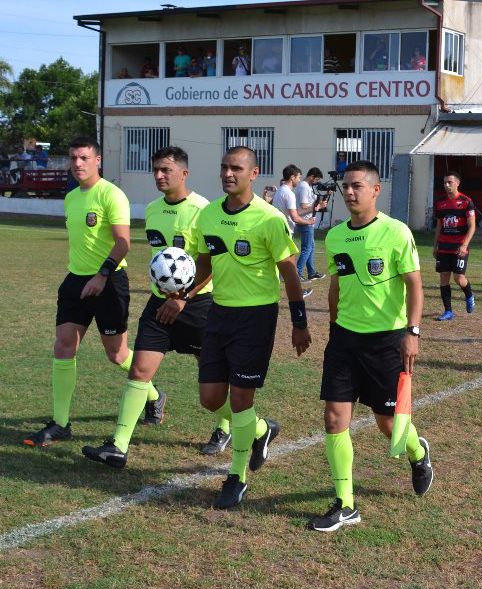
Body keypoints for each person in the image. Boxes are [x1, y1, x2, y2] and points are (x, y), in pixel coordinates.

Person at [81, 146, 228, 466]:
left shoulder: (204, 210)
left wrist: (183, 299)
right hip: (159, 303)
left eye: (167, 170)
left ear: (184, 174)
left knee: (211, 378)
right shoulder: (152, 209)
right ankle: (118, 446)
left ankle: (234, 426)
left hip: (197, 304)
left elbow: (213, 263)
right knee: (139, 371)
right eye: (156, 170)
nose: (159, 176)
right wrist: (168, 296)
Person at [312, 160, 431, 532]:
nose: (349, 192)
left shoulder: (396, 232)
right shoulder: (334, 235)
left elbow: (415, 285)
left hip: (387, 341)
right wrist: (333, 329)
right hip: (345, 340)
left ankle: (418, 451)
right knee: (335, 418)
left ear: (375, 190)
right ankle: (345, 504)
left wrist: (412, 333)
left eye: (357, 186)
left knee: (387, 422)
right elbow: (335, 285)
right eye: (346, 186)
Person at [192, 146, 311, 508]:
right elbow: (205, 262)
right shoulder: (209, 214)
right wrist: (183, 295)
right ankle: (261, 430)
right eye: (225, 167)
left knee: (242, 399)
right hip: (219, 313)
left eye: (237, 168)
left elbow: (290, 273)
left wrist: (299, 323)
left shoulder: (269, 219)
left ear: (254, 173)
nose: (229, 174)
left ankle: (236, 476)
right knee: (211, 398)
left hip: (256, 317)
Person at [24, 138, 142, 447]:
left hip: (110, 280)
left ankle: (152, 394)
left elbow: (123, 242)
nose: (78, 163)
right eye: (73, 158)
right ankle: (61, 423)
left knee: (117, 355)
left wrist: (102, 275)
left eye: (84, 158)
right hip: (76, 281)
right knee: (64, 346)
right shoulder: (72, 197)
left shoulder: (112, 195)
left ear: (98, 160)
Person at [433, 172, 476, 320]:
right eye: (445, 182)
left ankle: (469, 295)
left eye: (449, 182)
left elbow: (472, 227)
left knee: (459, 278)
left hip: (459, 247)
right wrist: (435, 245)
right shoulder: (440, 202)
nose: (446, 185)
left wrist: (464, 245)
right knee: (444, 278)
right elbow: (439, 225)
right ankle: (448, 311)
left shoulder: (466, 201)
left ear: (457, 183)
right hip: (444, 246)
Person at [272, 164, 315, 298]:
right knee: (290, 265)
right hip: (285, 232)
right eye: (298, 177)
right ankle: (298, 292)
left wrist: (313, 208)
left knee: (280, 266)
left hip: (278, 230)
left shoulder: (280, 191)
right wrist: (309, 221)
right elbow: (295, 217)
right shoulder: (288, 193)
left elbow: (294, 213)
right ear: (292, 177)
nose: (300, 180)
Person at [295, 167, 326, 282]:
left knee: (310, 247)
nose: (317, 182)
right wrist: (317, 207)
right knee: (307, 248)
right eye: (317, 179)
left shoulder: (307, 187)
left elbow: (311, 203)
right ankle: (297, 272)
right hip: (305, 221)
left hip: (308, 221)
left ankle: (311, 273)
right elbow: (303, 206)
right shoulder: (303, 186)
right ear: (312, 176)